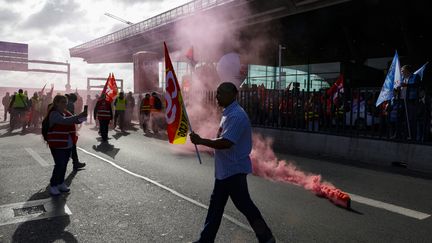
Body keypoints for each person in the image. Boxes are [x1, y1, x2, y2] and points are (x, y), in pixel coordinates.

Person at [190, 82, 275, 243]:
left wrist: (202, 141)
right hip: (226, 171)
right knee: (218, 207)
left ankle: (266, 237)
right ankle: (206, 240)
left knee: (244, 206)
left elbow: (226, 142)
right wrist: (210, 146)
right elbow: (222, 141)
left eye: (220, 93)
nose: (217, 96)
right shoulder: (228, 113)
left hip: (233, 171)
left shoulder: (236, 115)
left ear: (232, 95)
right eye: (217, 93)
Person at [42, 95, 87, 196]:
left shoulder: (65, 112)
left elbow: (74, 120)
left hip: (67, 143)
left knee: (64, 164)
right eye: (62, 102)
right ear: (56, 103)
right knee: (59, 164)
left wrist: (83, 117)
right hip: (57, 143)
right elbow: (64, 121)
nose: (65, 104)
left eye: (65, 102)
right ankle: (53, 185)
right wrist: (79, 116)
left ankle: (60, 183)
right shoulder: (54, 114)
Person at [65, 93, 86, 170]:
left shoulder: (66, 103)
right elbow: (72, 118)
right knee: (72, 146)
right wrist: (83, 118)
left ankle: (75, 162)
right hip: (69, 129)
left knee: (71, 147)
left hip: (65, 128)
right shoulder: (70, 104)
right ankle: (75, 163)